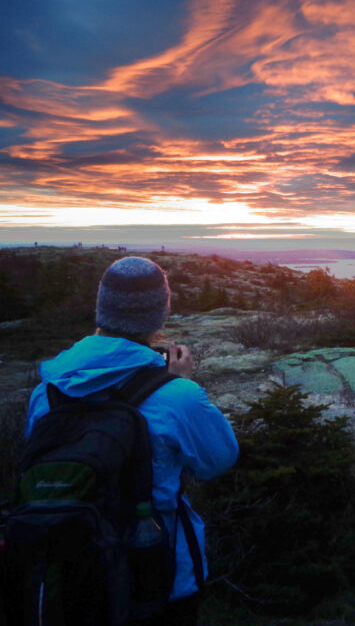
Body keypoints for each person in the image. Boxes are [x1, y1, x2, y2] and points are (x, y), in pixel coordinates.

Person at [25, 257, 239, 625]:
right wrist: (182, 381)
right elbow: (219, 460)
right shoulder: (177, 395)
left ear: (102, 309)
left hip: (68, 566)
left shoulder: (47, 392)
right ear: (161, 311)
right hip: (159, 573)